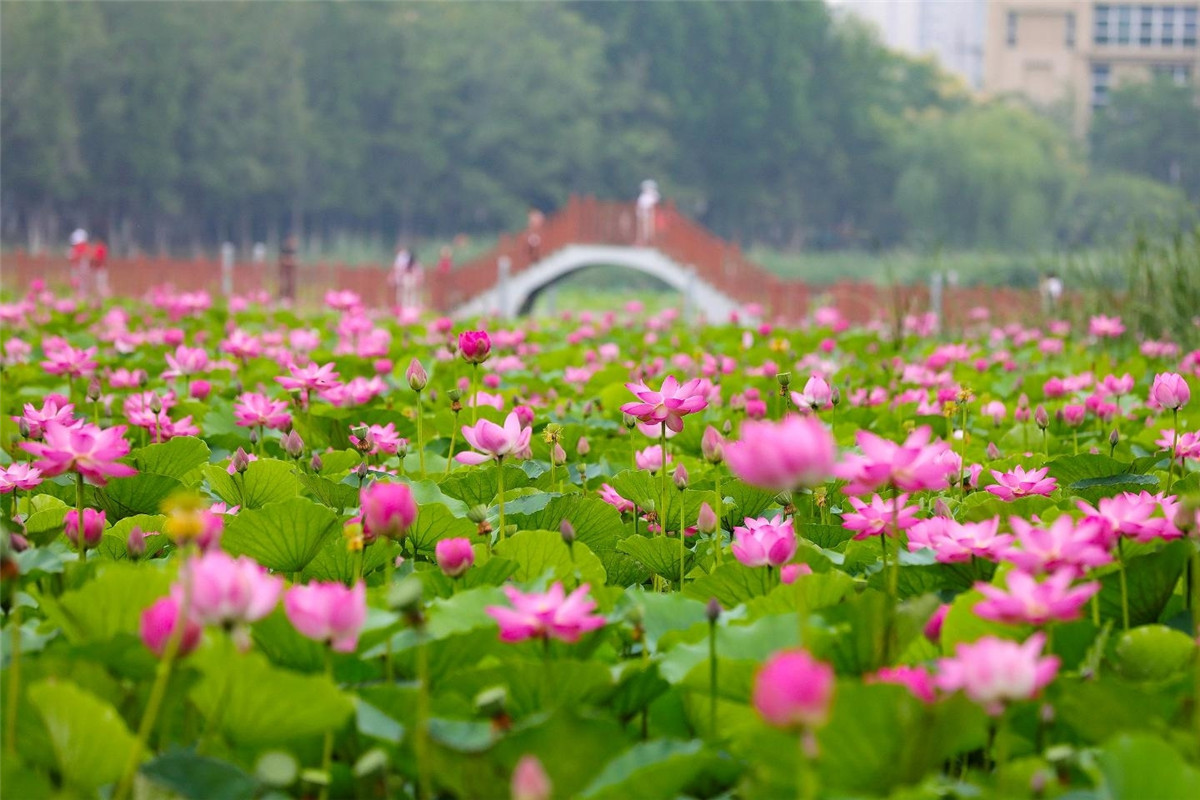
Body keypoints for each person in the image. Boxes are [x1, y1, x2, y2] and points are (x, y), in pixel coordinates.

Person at [636, 180, 660, 245]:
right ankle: (642, 241)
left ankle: (650, 241)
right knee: (642, 229)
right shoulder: (643, 196)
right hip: (643, 215)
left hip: (651, 216)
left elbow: (654, 206)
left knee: (649, 229)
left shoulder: (654, 195)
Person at [278, 235, 298, 304]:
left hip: (291, 272)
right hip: (284, 271)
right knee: (283, 284)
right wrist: (288, 262)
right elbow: (281, 260)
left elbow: (295, 260)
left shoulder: (293, 250)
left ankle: (291, 298)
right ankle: (282, 298)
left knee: (291, 285)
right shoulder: (284, 249)